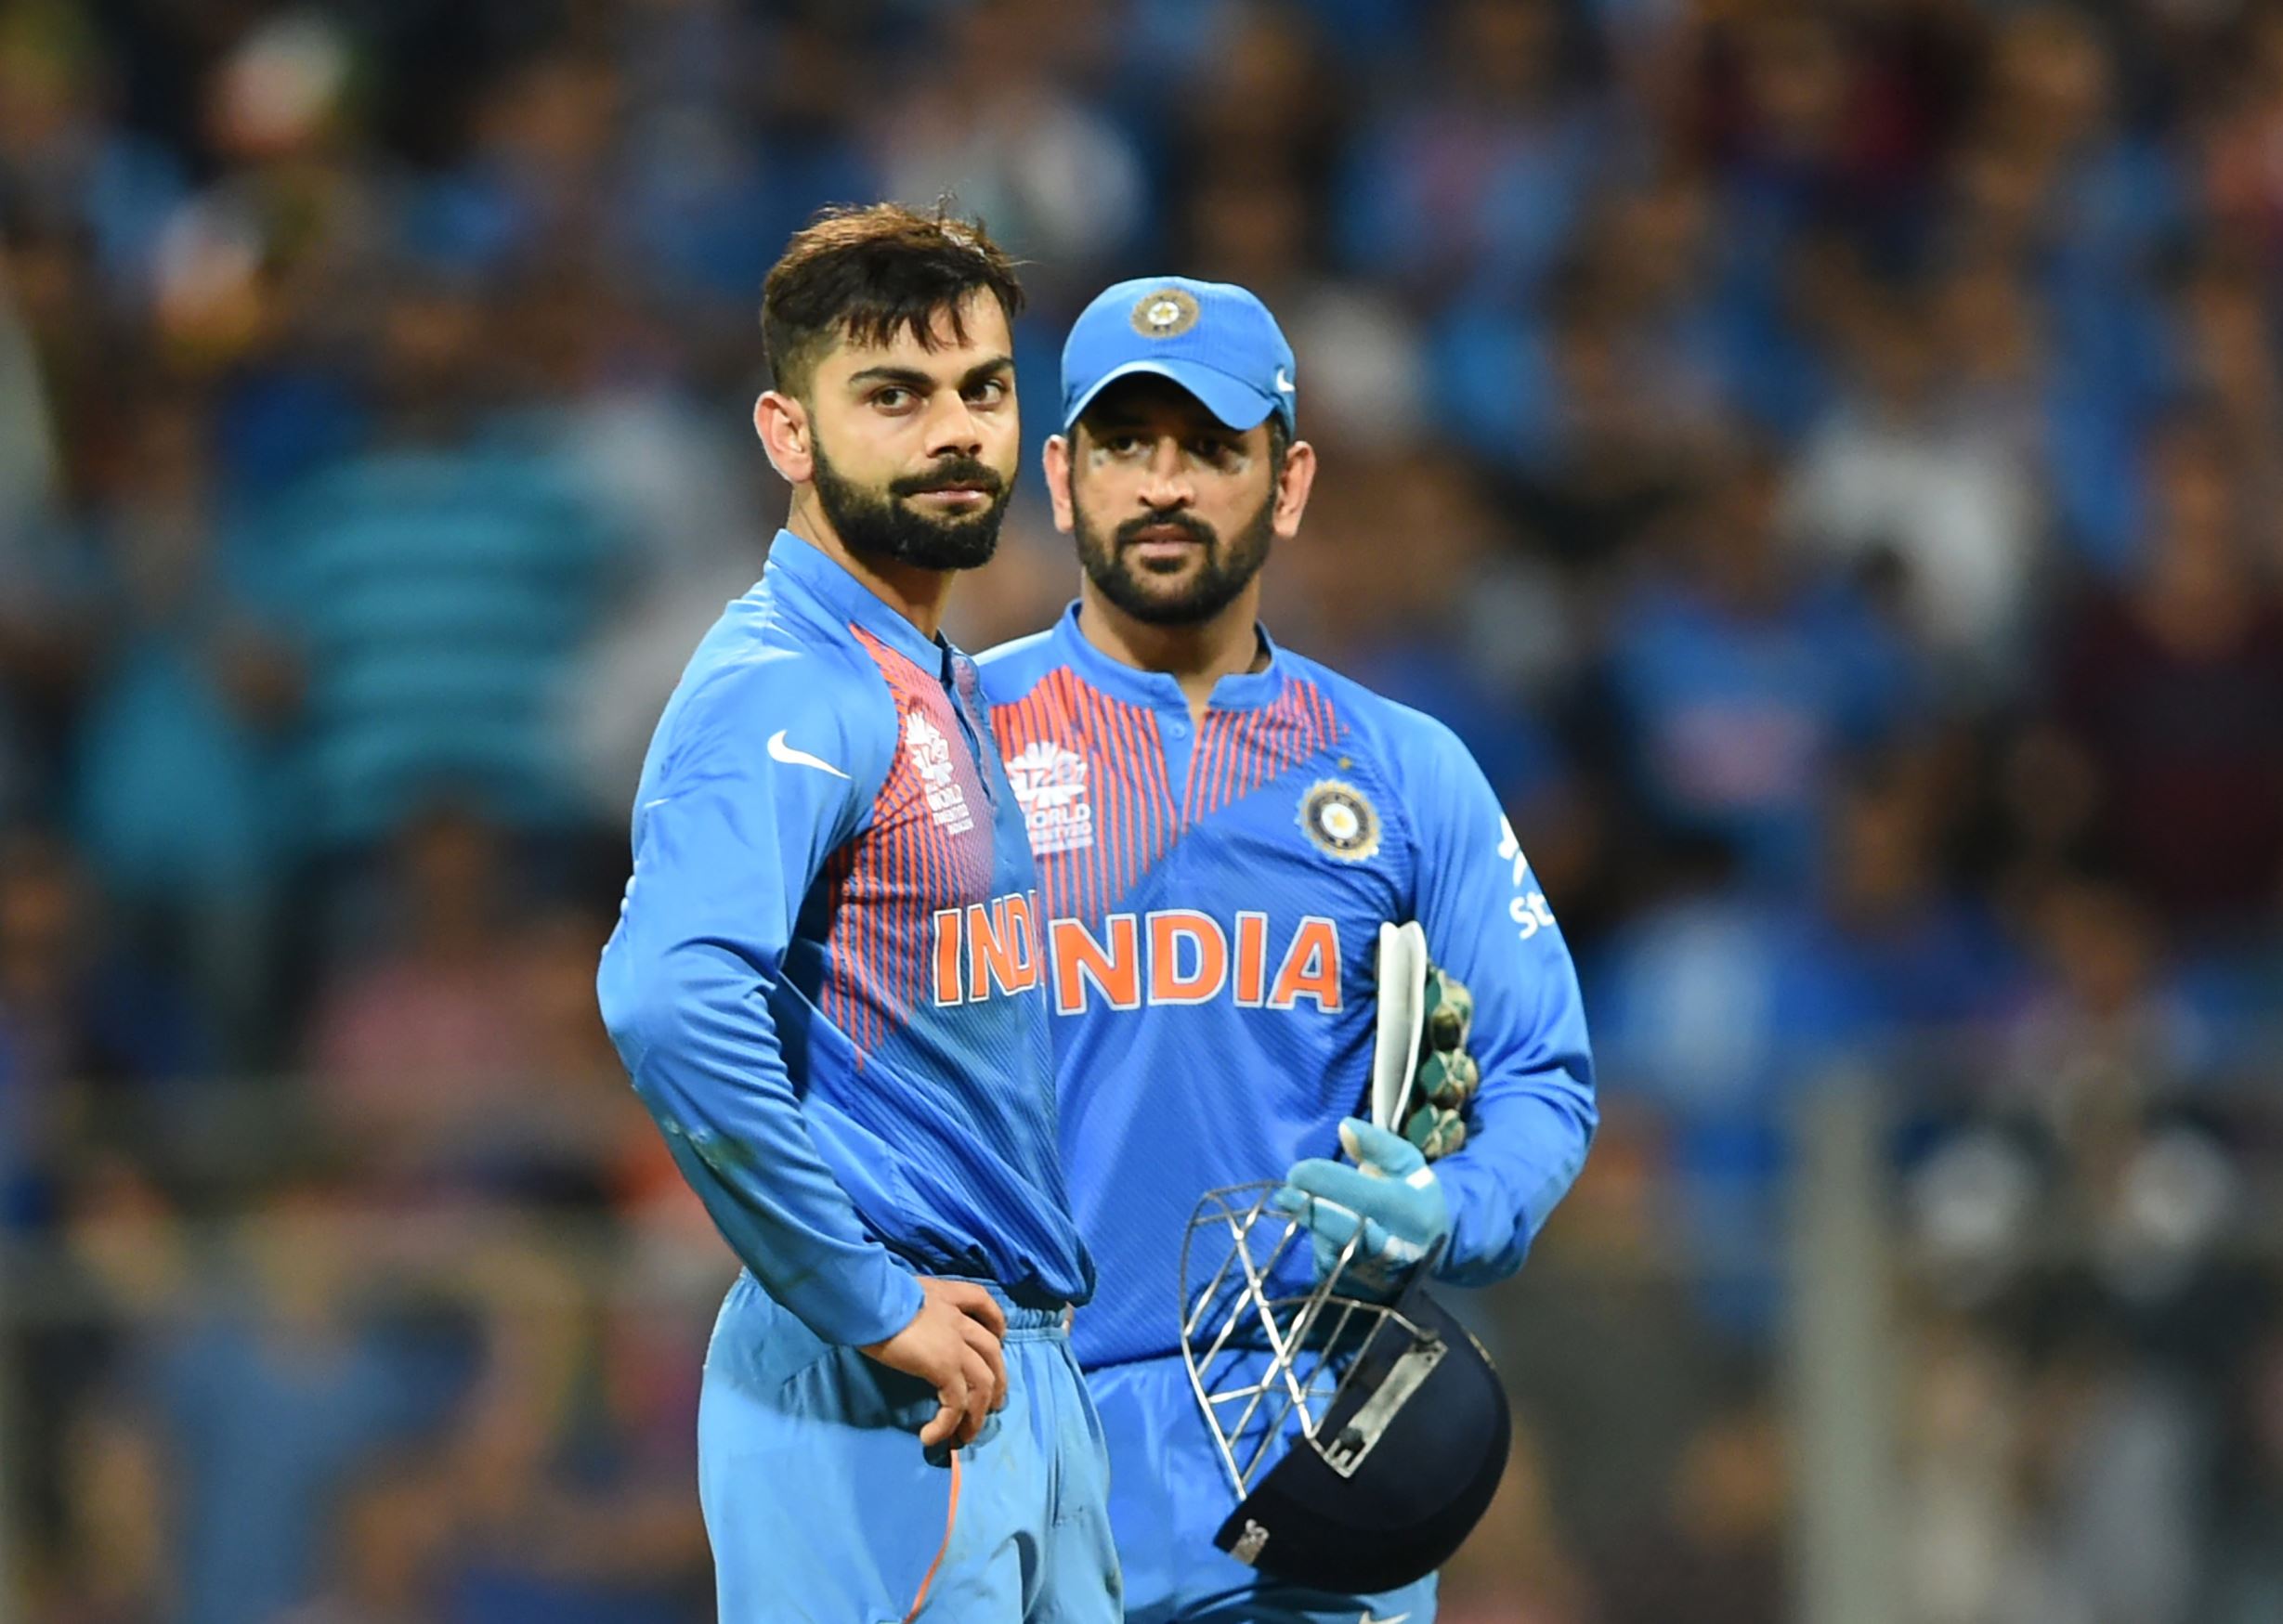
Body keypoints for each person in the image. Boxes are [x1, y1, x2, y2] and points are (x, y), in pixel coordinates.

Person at [978, 278, 1598, 1623]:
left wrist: (1454, 1205)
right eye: (1124, 444)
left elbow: (1541, 1076)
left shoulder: (1404, 770)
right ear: (1061, 479)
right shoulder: (950, 747)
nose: (1164, 483)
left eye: (1211, 447)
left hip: (1306, 1456)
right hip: (1008, 1460)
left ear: (1289, 481)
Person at [595, 203, 1117, 1622]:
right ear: (786, 432)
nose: (954, 431)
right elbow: (669, 997)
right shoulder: (788, 679)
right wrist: (867, 1295)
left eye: (982, 389)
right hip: (886, 1381)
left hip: (1004, 1368)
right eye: (893, 395)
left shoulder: (927, 674)